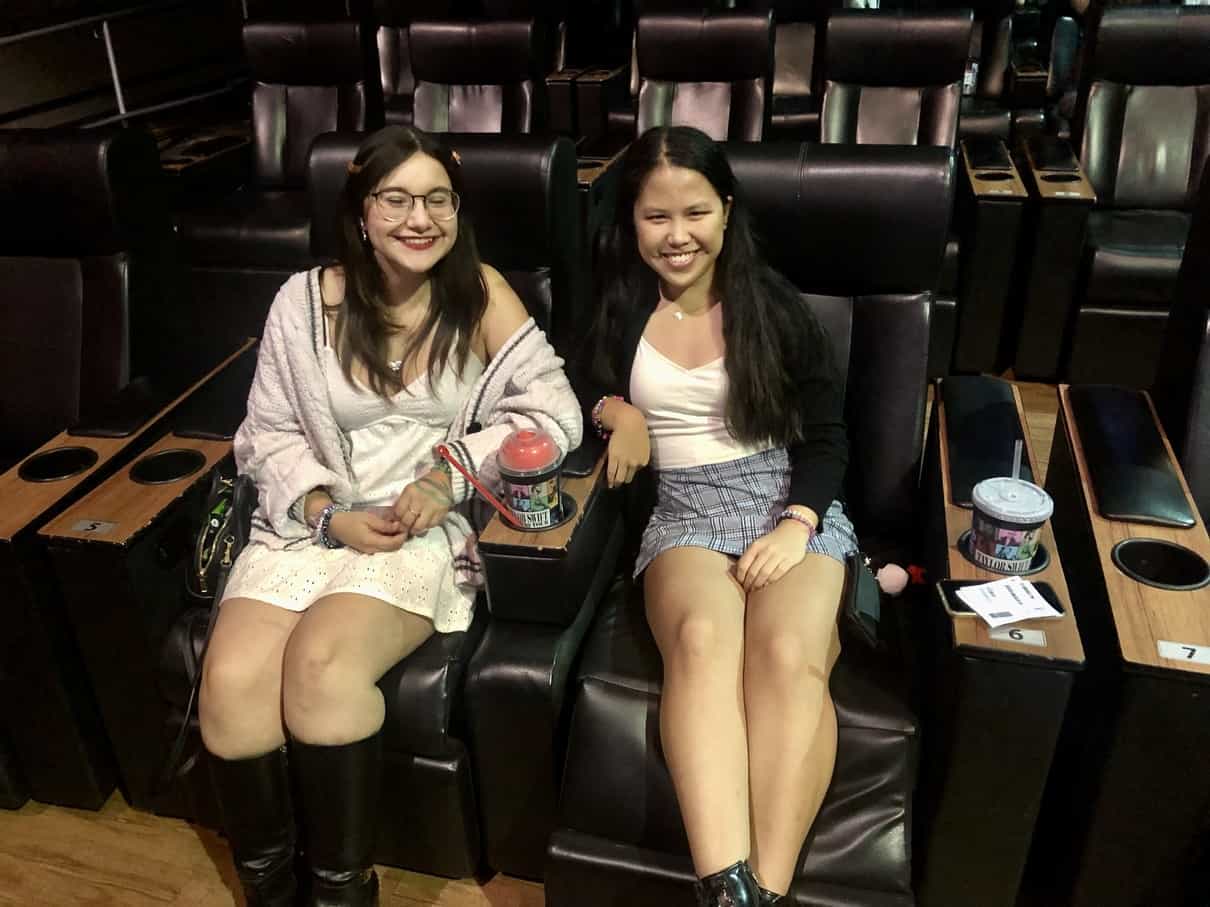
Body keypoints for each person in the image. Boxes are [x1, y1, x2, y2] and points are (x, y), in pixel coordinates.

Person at [198, 126, 582, 907]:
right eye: (398, 198)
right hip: (312, 526)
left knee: (320, 665)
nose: (421, 218)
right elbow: (265, 434)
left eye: (438, 198)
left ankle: (343, 894)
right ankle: (273, 892)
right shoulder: (302, 302)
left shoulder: (480, 293)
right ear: (362, 212)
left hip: (422, 531)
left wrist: (455, 472)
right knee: (232, 685)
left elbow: (555, 412)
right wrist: (322, 510)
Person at [578, 126, 857, 907]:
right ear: (631, 221)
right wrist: (615, 409)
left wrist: (799, 521)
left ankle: (750, 894)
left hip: (787, 499)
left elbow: (829, 437)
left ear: (727, 211)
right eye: (655, 217)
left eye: (695, 213)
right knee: (701, 643)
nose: (677, 236)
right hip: (686, 509)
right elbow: (570, 383)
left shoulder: (772, 305)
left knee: (787, 657)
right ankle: (729, 885)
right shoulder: (619, 299)